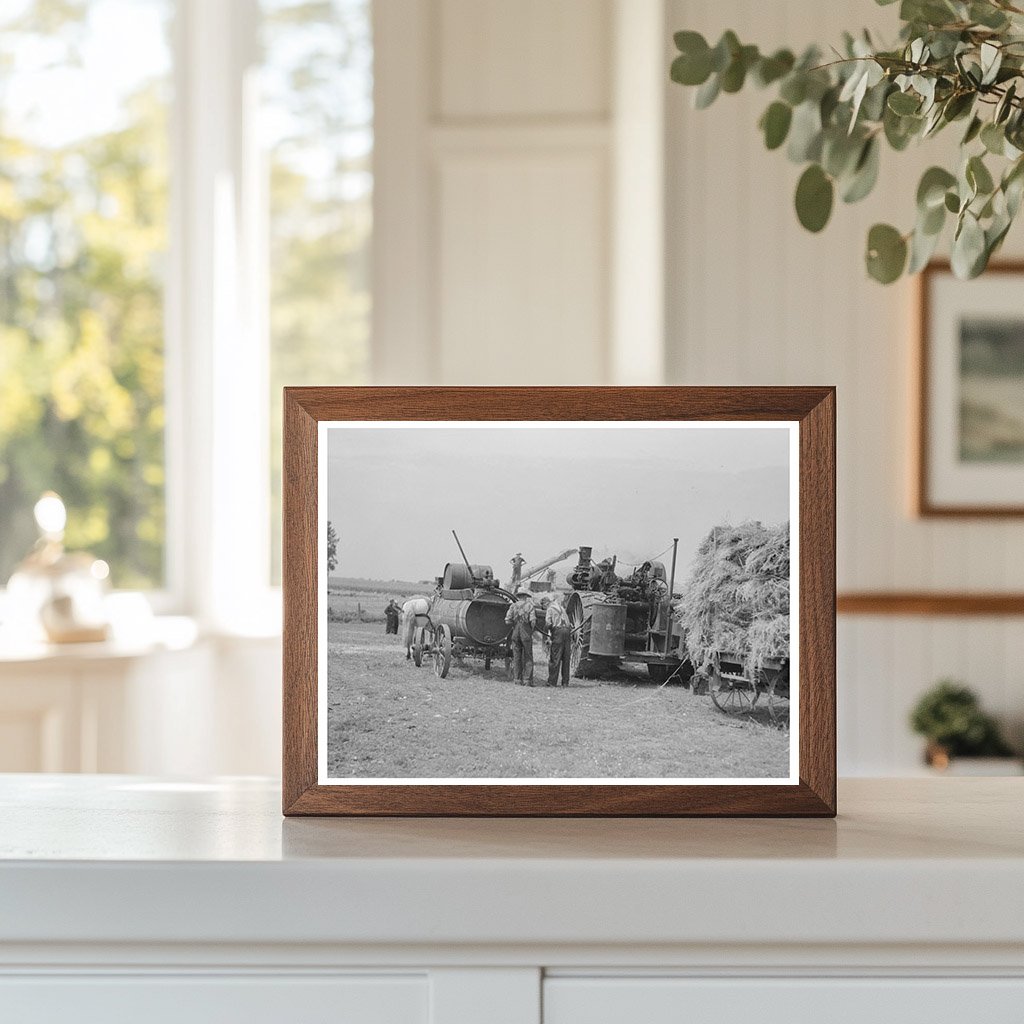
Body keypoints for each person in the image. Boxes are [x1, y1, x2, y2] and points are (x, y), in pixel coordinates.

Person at [504, 588, 537, 685]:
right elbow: (533, 621)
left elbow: (507, 620)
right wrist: (530, 629)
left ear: (518, 596)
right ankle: (527, 680)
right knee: (528, 656)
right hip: (526, 632)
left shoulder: (513, 606)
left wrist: (514, 624)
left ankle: (517, 679)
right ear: (526, 597)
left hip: (515, 632)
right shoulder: (530, 606)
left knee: (516, 656)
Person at [545, 593, 572, 687]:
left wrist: (548, 634)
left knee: (555, 657)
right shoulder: (562, 609)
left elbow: (548, 623)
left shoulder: (550, 609)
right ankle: (565, 682)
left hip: (558, 632)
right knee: (566, 658)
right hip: (567, 632)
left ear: (548, 602)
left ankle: (552, 682)